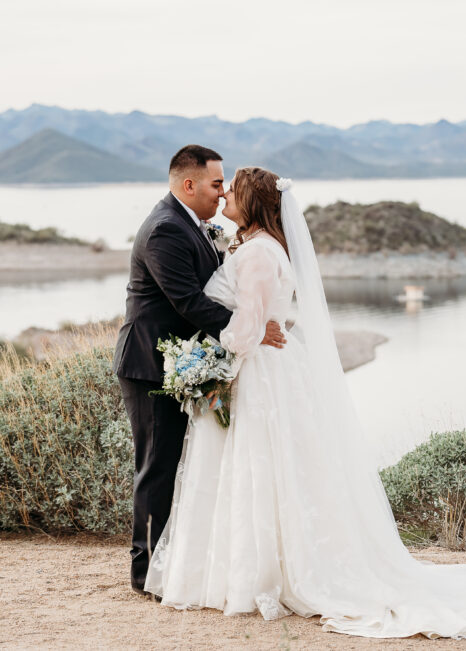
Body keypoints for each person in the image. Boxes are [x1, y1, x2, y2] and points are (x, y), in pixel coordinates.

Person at [143, 166, 466, 639]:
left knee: (264, 468)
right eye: (222, 186)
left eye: (232, 189)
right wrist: (242, 341)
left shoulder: (259, 252)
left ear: (252, 203)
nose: (225, 195)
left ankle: (265, 574)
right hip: (263, 373)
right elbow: (258, 323)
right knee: (265, 471)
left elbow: (248, 327)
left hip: (261, 376)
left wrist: (217, 352)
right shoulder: (252, 245)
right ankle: (254, 569)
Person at [113, 146, 285, 597]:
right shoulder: (165, 229)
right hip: (151, 365)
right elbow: (188, 301)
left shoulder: (191, 223)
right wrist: (247, 329)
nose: (222, 191)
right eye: (215, 184)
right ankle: (144, 571)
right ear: (188, 185)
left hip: (185, 362)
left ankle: (179, 563)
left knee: (181, 464)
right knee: (157, 466)